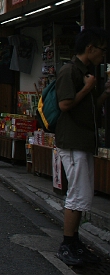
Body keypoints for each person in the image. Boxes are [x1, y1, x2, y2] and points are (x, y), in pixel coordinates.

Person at [54, 28, 110, 267]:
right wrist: (87, 88)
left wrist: (105, 92)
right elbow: (65, 104)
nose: (103, 55)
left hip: (83, 140)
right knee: (76, 194)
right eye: (102, 50)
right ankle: (67, 244)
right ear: (90, 48)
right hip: (73, 141)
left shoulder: (87, 73)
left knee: (83, 193)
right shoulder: (70, 71)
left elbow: (91, 107)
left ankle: (75, 242)